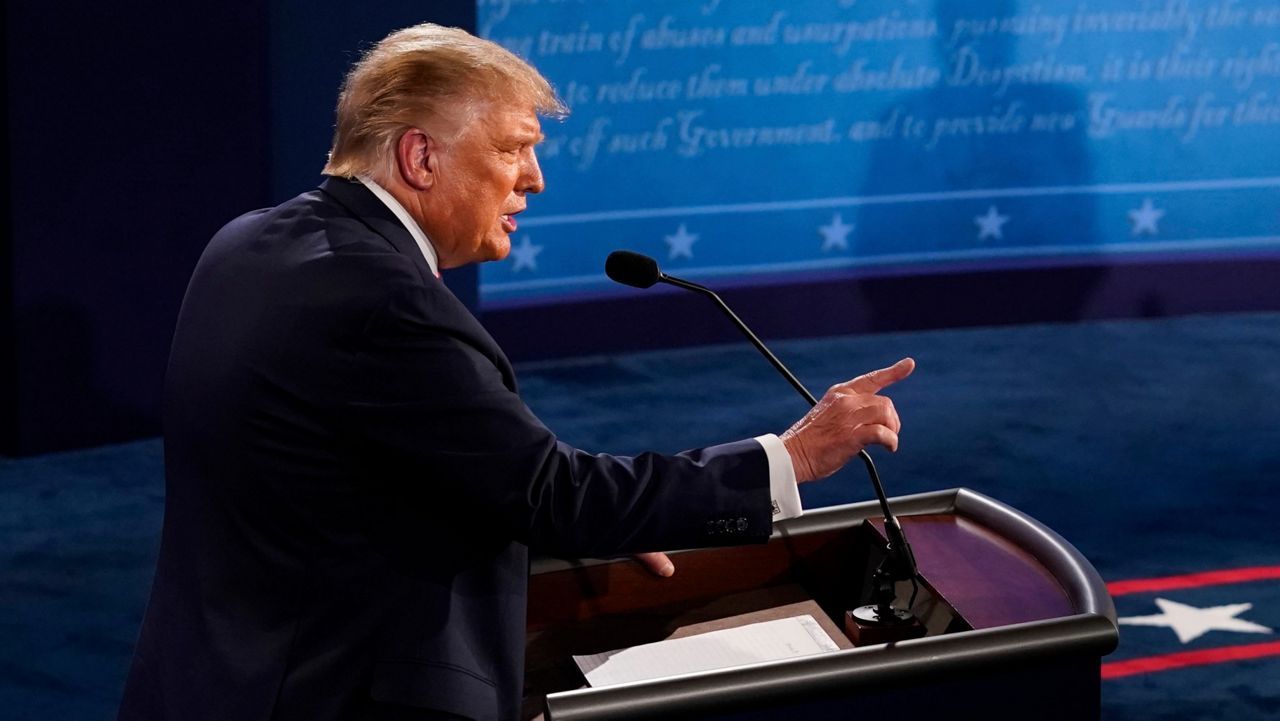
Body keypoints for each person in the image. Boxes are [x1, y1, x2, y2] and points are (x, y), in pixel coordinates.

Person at [117, 23, 914, 721]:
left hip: (213, 677)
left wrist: (569, 523)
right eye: (511, 148)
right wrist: (794, 456)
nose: (533, 179)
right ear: (419, 155)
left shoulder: (251, 242)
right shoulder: (387, 304)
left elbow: (347, 473)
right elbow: (553, 492)